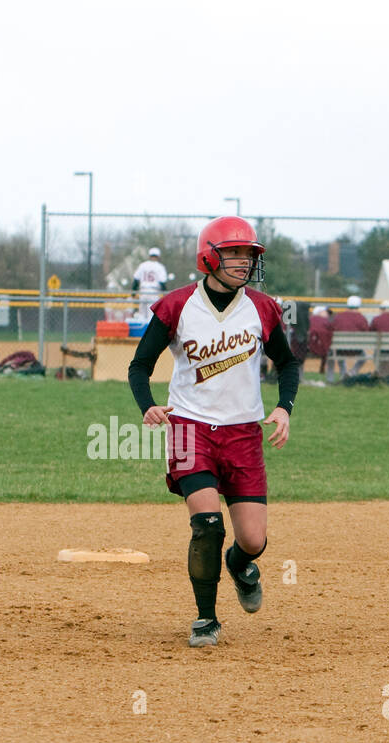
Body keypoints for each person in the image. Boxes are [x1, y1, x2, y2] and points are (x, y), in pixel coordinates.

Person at [128, 216, 301, 648]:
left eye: (249, 254)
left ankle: (240, 564)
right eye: (235, 253)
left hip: (243, 432)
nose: (245, 262)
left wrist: (283, 408)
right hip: (190, 428)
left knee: (252, 540)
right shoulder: (177, 305)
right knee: (207, 524)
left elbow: (289, 363)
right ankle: (206, 618)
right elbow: (139, 366)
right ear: (210, 256)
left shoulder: (261, 308)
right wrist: (148, 406)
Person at [328, 296, 369, 378]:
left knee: (335, 353)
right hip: (356, 350)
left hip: (340, 349)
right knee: (364, 357)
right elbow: (366, 333)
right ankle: (352, 372)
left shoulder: (338, 316)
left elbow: (331, 329)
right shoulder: (361, 318)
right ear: (358, 306)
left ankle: (341, 375)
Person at [133, 247, 168, 319]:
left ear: (149, 256)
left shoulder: (143, 265)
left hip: (143, 291)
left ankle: (143, 330)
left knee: (142, 314)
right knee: (151, 315)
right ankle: (149, 329)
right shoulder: (160, 267)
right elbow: (162, 282)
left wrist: (133, 291)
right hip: (153, 292)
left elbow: (136, 279)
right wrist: (164, 294)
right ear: (158, 256)